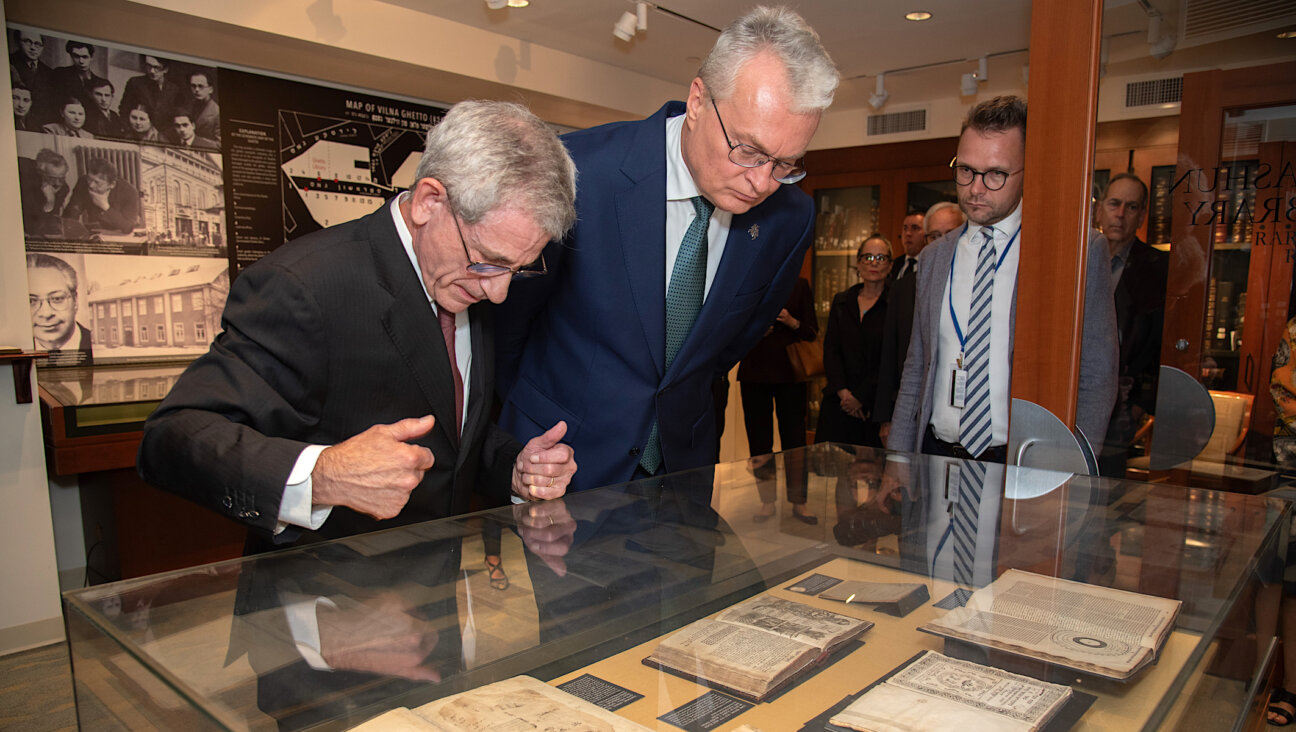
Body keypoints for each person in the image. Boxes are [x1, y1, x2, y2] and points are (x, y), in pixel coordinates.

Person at [137, 100, 579, 553]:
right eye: (489, 261)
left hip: (431, 595)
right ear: (430, 201)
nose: (499, 292)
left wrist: (513, 465)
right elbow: (171, 438)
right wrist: (323, 476)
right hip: (321, 602)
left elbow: (450, 433)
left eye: (519, 269)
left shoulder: (465, 279)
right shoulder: (305, 285)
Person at [495, 6, 839, 492]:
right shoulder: (579, 172)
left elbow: (723, 350)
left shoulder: (789, 217)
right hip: (561, 466)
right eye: (748, 150)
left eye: (786, 163)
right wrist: (507, 446)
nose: (762, 182)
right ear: (698, 100)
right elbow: (506, 324)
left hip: (684, 473)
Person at [887, 96, 1117, 463]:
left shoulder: (1072, 255)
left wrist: (1072, 467)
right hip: (935, 455)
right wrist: (898, 459)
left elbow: (1097, 375)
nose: (976, 188)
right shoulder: (933, 257)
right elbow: (917, 366)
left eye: (995, 174)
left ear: (1029, 170)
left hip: (1023, 463)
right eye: (965, 170)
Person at [1095, 173, 1168, 478]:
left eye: (1131, 206)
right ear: (1100, 208)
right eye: (1114, 203)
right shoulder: (1076, 259)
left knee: (1106, 496)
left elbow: (1162, 345)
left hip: (1122, 408)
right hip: (1072, 398)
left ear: (1141, 216)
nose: (1120, 214)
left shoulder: (1159, 268)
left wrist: (1139, 405)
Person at [875, 201, 965, 445]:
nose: (941, 242)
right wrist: (887, 418)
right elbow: (892, 355)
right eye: (935, 235)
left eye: (950, 234)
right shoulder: (905, 287)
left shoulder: (974, 285)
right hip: (913, 412)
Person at [736, 276, 817, 524]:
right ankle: (767, 501)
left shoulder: (799, 284)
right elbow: (732, 329)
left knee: (795, 442)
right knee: (759, 441)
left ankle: (799, 502)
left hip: (791, 374)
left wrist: (791, 321)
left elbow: (812, 332)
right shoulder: (748, 281)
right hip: (754, 373)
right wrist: (756, 330)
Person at [816, 235, 892, 448]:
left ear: (890, 264)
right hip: (839, 400)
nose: (874, 263)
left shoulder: (895, 304)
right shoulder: (842, 301)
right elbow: (831, 350)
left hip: (874, 405)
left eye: (880, 257)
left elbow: (890, 359)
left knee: (871, 474)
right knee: (833, 472)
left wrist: (860, 397)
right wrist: (844, 393)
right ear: (858, 263)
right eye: (867, 257)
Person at [27, 253, 93, 367]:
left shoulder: (98, 346)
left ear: (75, 301)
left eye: (57, 298)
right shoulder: (13, 354)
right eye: (31, 301)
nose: (46, 313)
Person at [63, 158, 142, 235]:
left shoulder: (129, 192)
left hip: (119, 235)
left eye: (97, 183)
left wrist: (105, 206)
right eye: (89, 179)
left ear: (112, 185)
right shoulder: (83, 182)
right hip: (96, 233)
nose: (91, 185)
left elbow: (128, 228)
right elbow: (71, 213)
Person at [47, 40, 107, 124]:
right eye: (76, 56)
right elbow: (53, 103)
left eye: (85, 57)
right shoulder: (60, 74)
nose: (81, 61)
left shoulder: (100, 82)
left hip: (91, 126)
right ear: (71, 56)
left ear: (91, 57)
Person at [18, 148, 72, 238]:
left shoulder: (63, 188)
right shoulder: (24, 178)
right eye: (52, 178)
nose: (58, 183)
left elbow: (47, 223)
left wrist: (50, 202)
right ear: (41, 172)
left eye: (62, 178)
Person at [120, 54, 185, 126]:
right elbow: (124, 110)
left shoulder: (174, 89)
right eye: (149, 66)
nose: (152, 71)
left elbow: (177, 116)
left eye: (157, 67)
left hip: (164, 134)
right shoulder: (135, 83)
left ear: (166, 70)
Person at [187, 70, 220, 144]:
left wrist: (196, 140)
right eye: (193, 86)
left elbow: (219, 144)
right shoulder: (188, 106)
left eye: (200, 86)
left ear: (210, 90)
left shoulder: (217, 113)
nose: (196, 90)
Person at [892, 211, 926, 282]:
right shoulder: (894, 265)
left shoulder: (930, 265)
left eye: (915, 228)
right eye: (905, 228)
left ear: (926, 233)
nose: (908, 233)